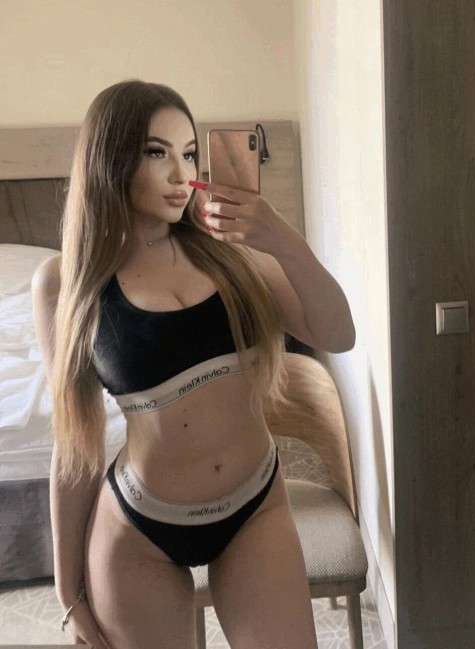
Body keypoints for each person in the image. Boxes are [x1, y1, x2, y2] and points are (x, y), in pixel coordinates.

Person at [31, 79, 355, 649]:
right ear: (111, 159)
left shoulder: (231, 249)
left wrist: (281, 238)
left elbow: (338, 333)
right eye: (157, 153)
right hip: (139, 531)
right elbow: (75, 446)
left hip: (254, 507)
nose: (182, 175)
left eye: (188, 153)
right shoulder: (67, 283)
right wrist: (67, 589)